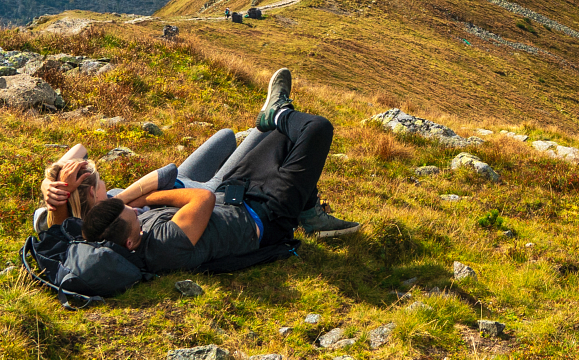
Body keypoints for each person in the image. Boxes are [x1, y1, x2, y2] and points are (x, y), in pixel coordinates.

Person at [35, 68, 360, 271]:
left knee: (283, 134)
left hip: (235, 194)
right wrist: (142, 200)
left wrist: (51, 193)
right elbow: (200, 197)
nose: (120, 200)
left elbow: (53, 226)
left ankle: (305, 196)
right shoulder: (162, 247)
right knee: (314, 130)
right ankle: (280, 122)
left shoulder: (104, 226)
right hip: (264, 214)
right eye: (120, 206)